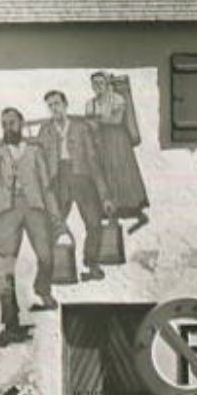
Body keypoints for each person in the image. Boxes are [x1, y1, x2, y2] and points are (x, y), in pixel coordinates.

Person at [0, 107, 59, 347]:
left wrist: (57, 221)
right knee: (5, 270)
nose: (8, 127)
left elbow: (47, 187)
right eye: (4, 124)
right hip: (6, 213)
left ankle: (43, 289)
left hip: (35, 209)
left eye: (12, 122)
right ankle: (11, 325)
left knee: (47, 256)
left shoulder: (34, 150)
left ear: (22, 123)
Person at [35, 90, 114, 281]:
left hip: (82, 178)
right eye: (51, 105)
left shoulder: (81, 127)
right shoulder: (45, 131)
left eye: (57, 104)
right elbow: (40, 164)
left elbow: (93, 161)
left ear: (65, 104)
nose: (54, 108)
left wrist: (104, 196)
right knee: (54, 225)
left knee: (94, 223)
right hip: (58, 180)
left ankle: (92, 265)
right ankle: (53, 271)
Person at [87, 71, 150, 233]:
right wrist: (96, 123)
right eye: (95, 84)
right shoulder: (91, 103)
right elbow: (89, 123)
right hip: (100, 141)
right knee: (105, 173)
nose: (98, 87)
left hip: (117, 141)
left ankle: (134, 209)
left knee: (122, 173)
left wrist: (97, 120)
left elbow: (116, 120)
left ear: (107, 84)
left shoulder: (117, 99)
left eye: (101, 83)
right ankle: (110, 210)